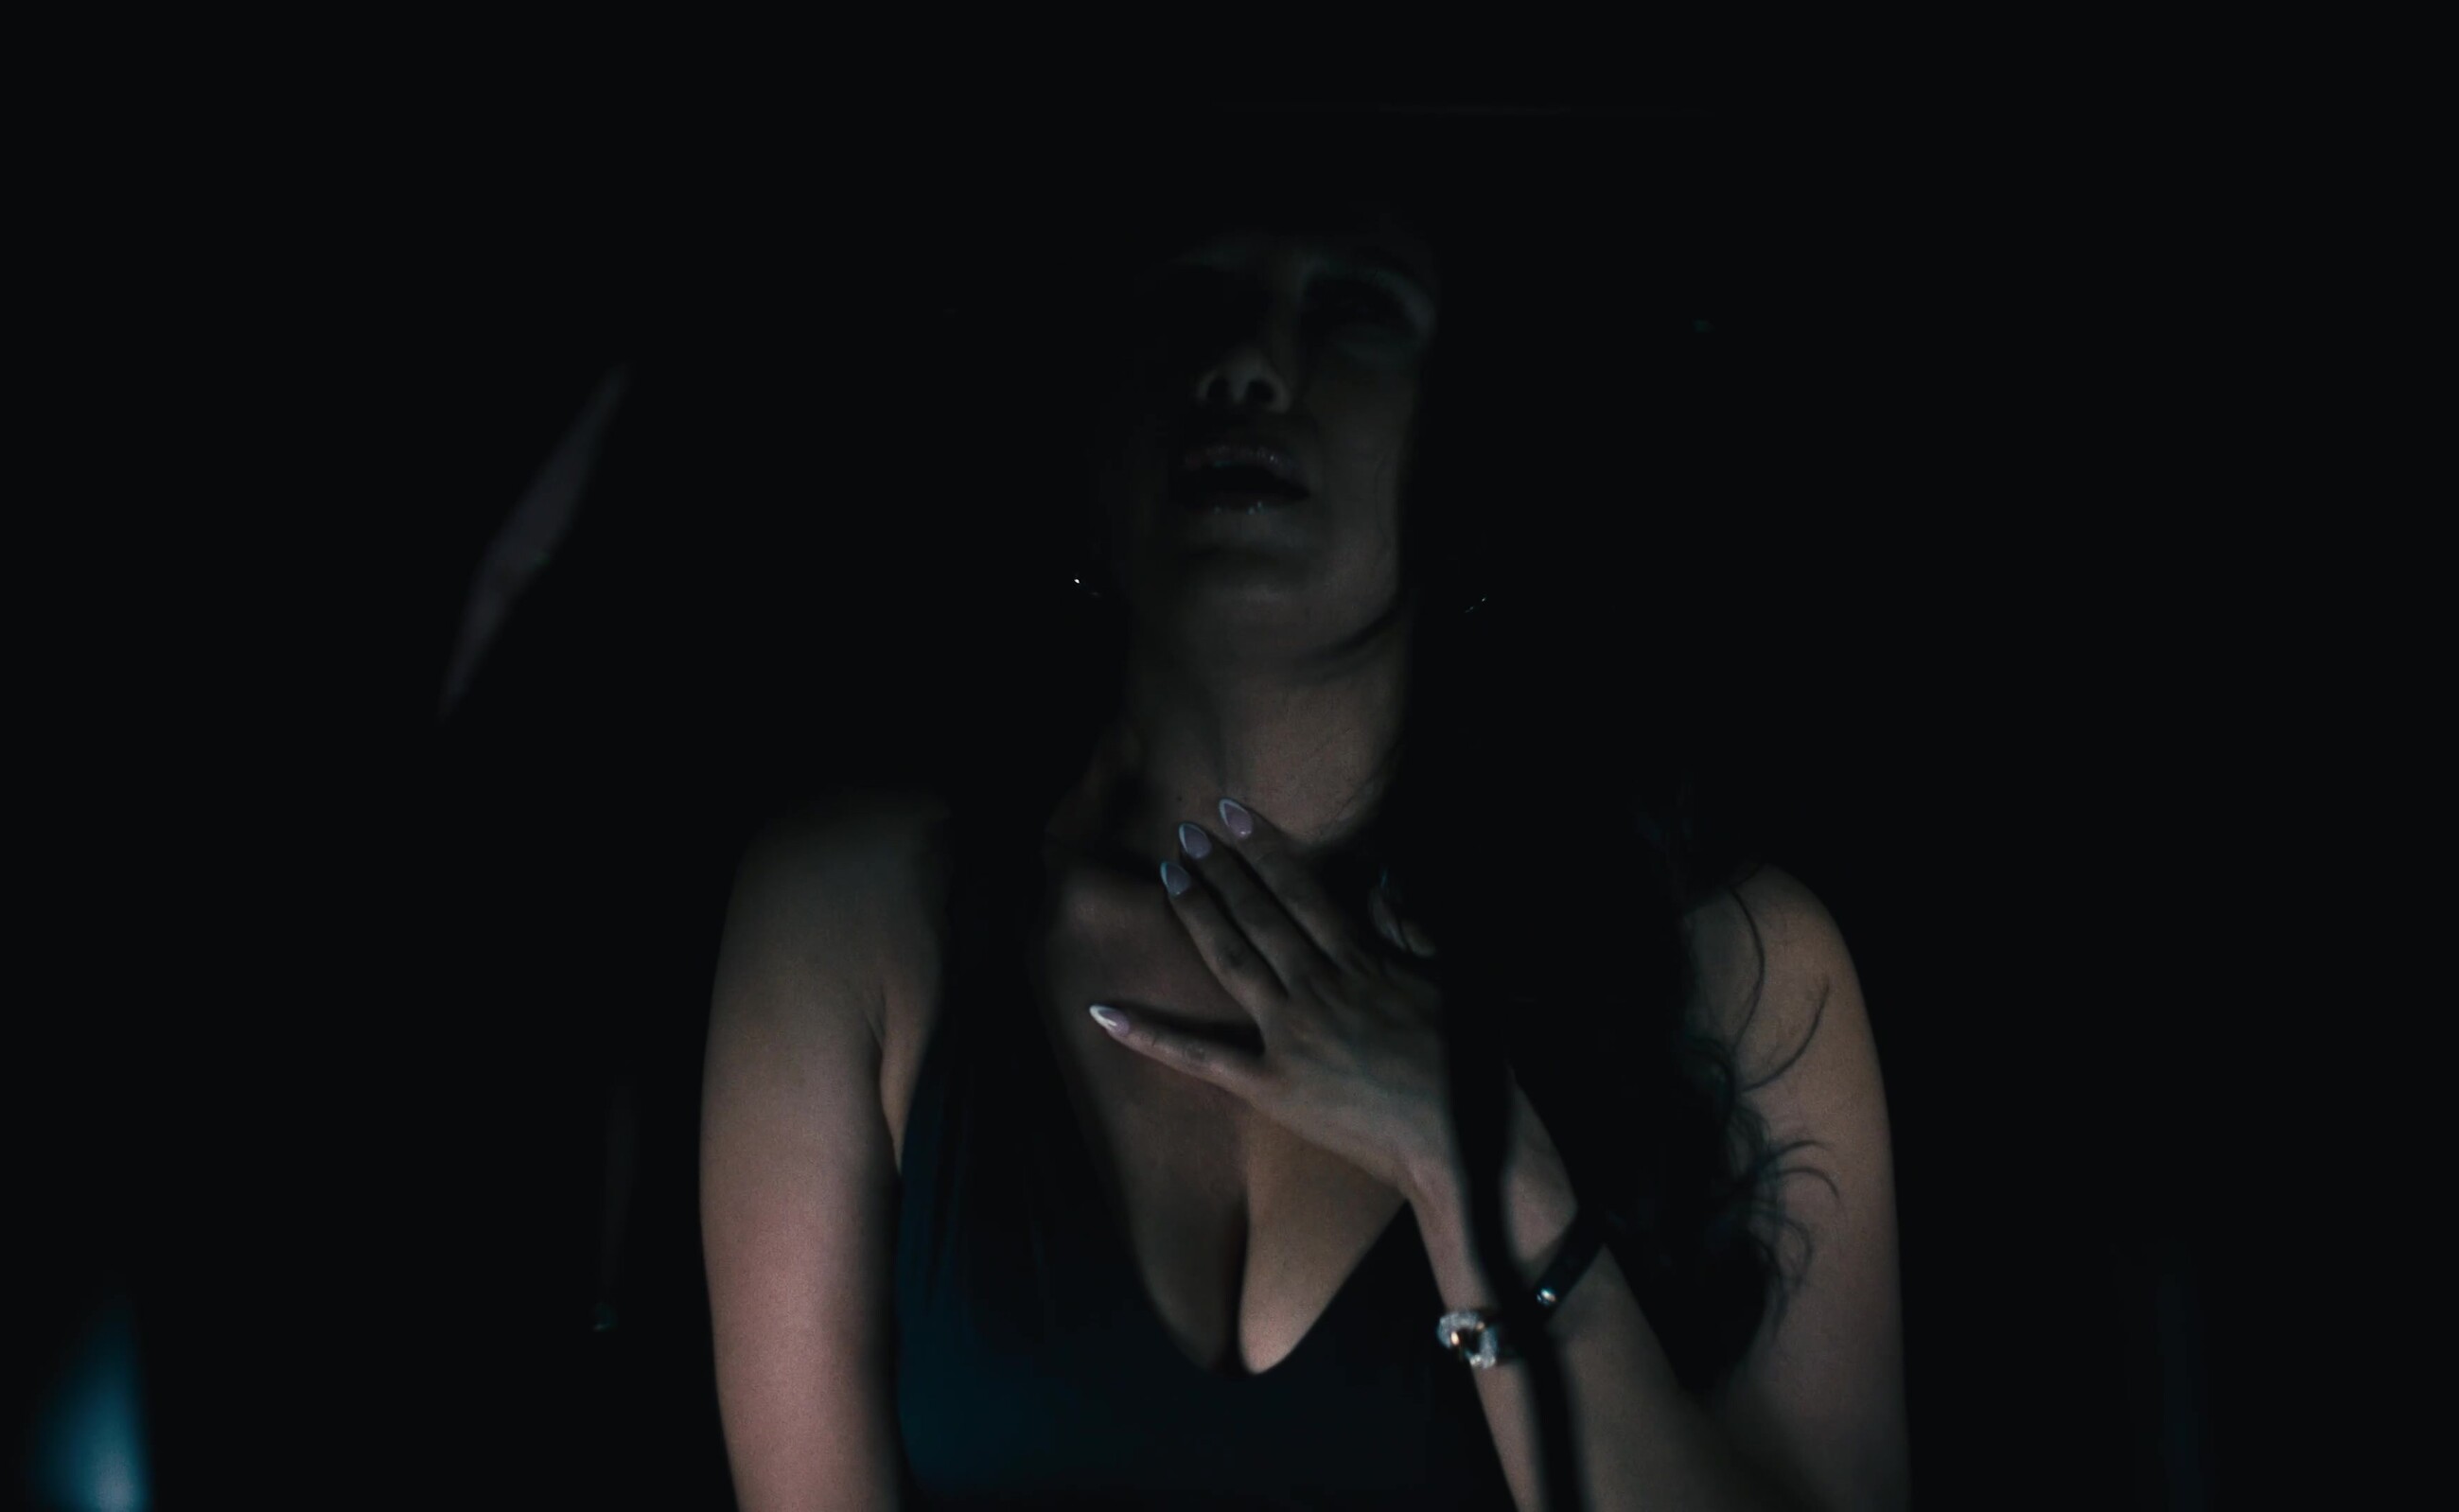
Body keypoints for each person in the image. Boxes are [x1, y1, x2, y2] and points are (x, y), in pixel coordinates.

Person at [699, 136, 1908, 1511]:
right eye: (1188, 304)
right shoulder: (854, 916)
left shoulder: (1740, 962)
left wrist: (1475, 1161)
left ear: (1475, 436)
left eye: (1354, 310)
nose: (1250, 368)